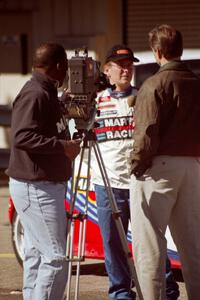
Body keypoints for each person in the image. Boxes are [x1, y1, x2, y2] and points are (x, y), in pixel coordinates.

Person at [91, 44, 179, 300]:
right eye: (120, 65)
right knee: (113, 244)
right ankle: (120, 293)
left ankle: (166, 289)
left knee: (150, 240)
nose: (126, 69)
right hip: (107, 183)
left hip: (140, 180)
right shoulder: (96, 101)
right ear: (107, 70)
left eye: (130, 64)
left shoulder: (144, 96)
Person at [130, 24, 200, 300]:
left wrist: (136, 164)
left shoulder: (154, 84)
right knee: (192, 245)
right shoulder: (196, 83)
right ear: (180, 50)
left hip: (158, 167)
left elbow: (147, 132)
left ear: (157, 52)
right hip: (192, 166)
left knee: (149, 245)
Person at [7, 42, 81, 300]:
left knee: (37, 255)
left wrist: (63, 102)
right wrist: (63, 147)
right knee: (56, 259)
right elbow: (23, 137)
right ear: (59, 66)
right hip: (36, 185)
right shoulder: (36, 93)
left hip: (37, 185)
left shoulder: (45, 91)